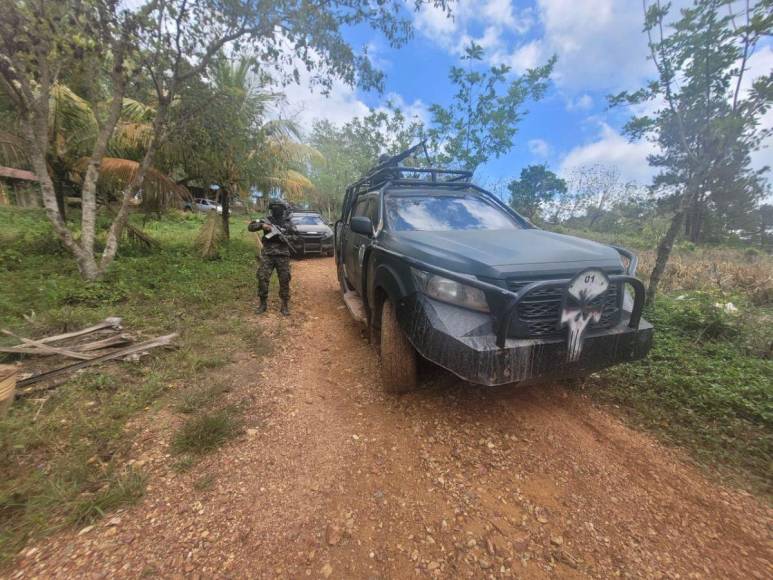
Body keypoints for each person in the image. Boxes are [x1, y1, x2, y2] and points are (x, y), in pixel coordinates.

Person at [248, 199, 295, 315]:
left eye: (279, 207)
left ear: (283, 209)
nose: (277, 210)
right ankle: (262, 304)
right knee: (262, 277)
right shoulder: (266, 219)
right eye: (274, 207)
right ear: (271, 208)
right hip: (268, 254)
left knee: (284, 279)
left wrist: (285, 236)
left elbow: (294, 234)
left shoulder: (287, 221)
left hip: (283, 255)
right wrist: (263, 226)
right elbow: (251, 227)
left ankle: (284, 305)